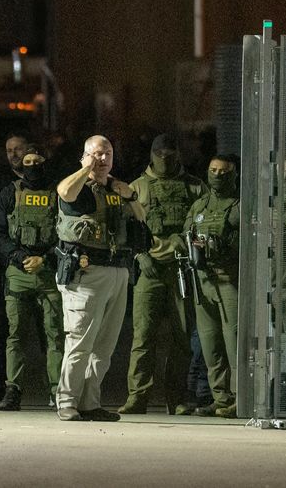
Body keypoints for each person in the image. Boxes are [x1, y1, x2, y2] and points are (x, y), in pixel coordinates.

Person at [54, 135, 150, 422]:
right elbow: (64, 192)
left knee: (104, 347)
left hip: (118, 270)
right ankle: (67, 401)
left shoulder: (117, 188)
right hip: (86, 274)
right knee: (80, 341)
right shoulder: (79, 187)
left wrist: (130, 195)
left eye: (107, 153)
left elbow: (141, 218)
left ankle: (90, 402)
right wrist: (87, 169)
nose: (103, 159)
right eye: (97, 154)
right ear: (84, 156)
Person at [119, 134, 208, 415]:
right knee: (143, 337)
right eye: (160, 154)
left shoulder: (195, 188)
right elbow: (123, 229)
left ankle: (177, 397)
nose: (165, 160)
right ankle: (138, 397)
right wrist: (138, 255)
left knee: (182, 339)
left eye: (170, 154)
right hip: (150, 271)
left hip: (182, 270)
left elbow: (206, 224)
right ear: (152, 155)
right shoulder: (137, 188)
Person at [0, 152, 64, 411]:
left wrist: (45, 258)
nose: (33, 166)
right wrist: (19, 256)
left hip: (48, 272)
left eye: (37, 161)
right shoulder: (10, 192)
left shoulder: (58, 192)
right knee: (15, 334)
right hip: (18, 272)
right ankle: (13, 390)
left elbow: (66, 233)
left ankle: (57, 391)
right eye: (28, 162)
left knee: (55, 334)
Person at [180, 155, 241, 418]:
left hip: (230, 282)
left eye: (223, 172)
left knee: (235, 343)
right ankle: (220, 397)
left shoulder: (241, 205)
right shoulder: (200, 205)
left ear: (234, 174)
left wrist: (220, 246)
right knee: (210, 344)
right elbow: (186, 234)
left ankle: (241, 397)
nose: (217, 175)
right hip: (202, 281)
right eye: (213, 170)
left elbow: (250, 243)